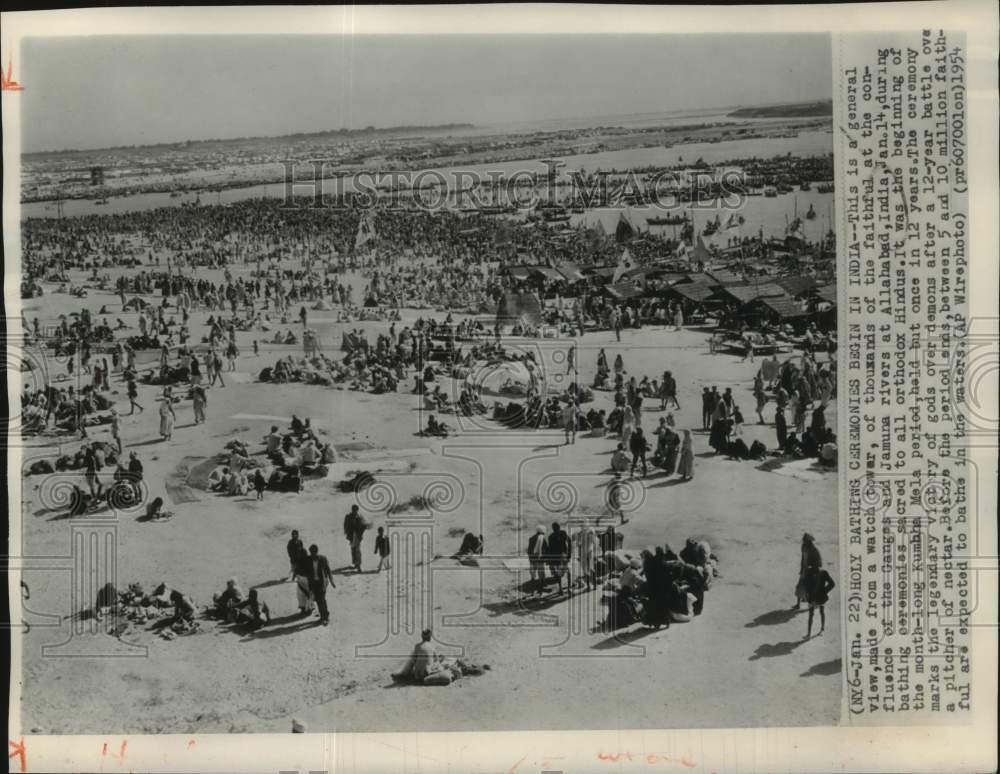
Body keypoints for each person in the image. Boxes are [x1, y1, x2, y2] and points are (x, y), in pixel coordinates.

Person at [305, 543, 335, 625]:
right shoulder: (308, 559)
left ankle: (325, 617)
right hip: (314, 583)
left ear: (317, 551)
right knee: (318, 600)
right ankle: (323, 616)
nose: (313, 554)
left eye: (314, 552)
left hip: (322, 583)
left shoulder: (323, 559)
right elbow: (307, 572)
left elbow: (328, 570)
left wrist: (332, 581)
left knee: (322, 599)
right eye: (311, 552)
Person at [804, 566, 836, 638]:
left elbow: (805, 584)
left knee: (811, 615)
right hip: (820, 597)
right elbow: (832, 584)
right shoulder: (823, 572)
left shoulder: (809, 572)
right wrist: (824, 591)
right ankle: (822, 628)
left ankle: (809, 634)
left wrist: (807, 593)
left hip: (813, 597)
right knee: (821, 612)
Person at [795, 533, 823, 609]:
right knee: (799, 586)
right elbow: (802, 559)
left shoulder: (814, 550)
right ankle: (798, 605)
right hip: (804, 570)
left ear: (809, 541)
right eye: (803, 540)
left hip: (811, 572)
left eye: (805, 540)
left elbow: (819, 563)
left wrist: (811, 568)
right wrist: (802, 569)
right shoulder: (803, 547)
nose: (803, 542)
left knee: (810, 589)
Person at [547, 522, 572, 595]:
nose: (556, 529)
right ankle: (567, 588)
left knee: (561, 573)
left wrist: (569, 554)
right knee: (566, 572)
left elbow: (550, 550)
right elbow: (569, 542)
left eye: (556, 528)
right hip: (562, 556)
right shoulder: (561, 533)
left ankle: (562, 589)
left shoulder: (551, 536)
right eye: (556, 528)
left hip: (558, 557)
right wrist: (569, 554)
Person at [343, 504, 368, 572]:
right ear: (352, 510)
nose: (355, 511)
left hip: (358, 536)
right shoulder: (348, 516)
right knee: (353, 550)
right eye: (354, 510)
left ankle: (359, 565)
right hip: (351, 536)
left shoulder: (359, 517)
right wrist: (347, 534)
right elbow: (345, 526)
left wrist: (365, 526)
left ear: (357, 510)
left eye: (356, 510)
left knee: (358, 550)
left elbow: (364, 525)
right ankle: (355, 563)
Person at [527, 525, 547, 594]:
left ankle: (532, 587)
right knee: (541, 574)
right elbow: (546, 549)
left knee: (533, 573)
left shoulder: (531, 538)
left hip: (532, 559)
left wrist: (530, 559)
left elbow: (529, 550)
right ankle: (541, 588)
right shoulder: (543, 539)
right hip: (540, 559)